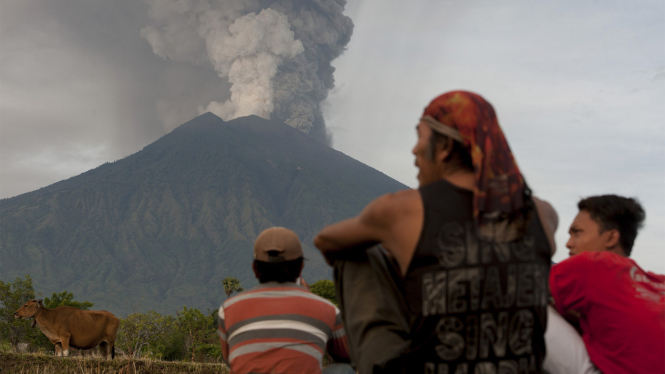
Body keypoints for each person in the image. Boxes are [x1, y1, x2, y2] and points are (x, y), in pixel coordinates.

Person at [315, 91, 557, 373]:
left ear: (442, 147)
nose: (414, 150)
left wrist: (397, 258)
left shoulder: (402, 211)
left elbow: (326, 241)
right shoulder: (543, 214)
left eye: (419, 136)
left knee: (352, 252)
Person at [549, 195, 665, 374]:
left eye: (577, 232)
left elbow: (519, 281)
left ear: (611, 238)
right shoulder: (656, 283)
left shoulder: (595, 264)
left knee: (528, 300)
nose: (568, 243)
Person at [217, 227, 353, 374]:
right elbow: (346, 356)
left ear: (254, 269)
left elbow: (231, 363)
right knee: (343, 369)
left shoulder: (228, 309)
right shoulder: (328, 310)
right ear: (301, 267)